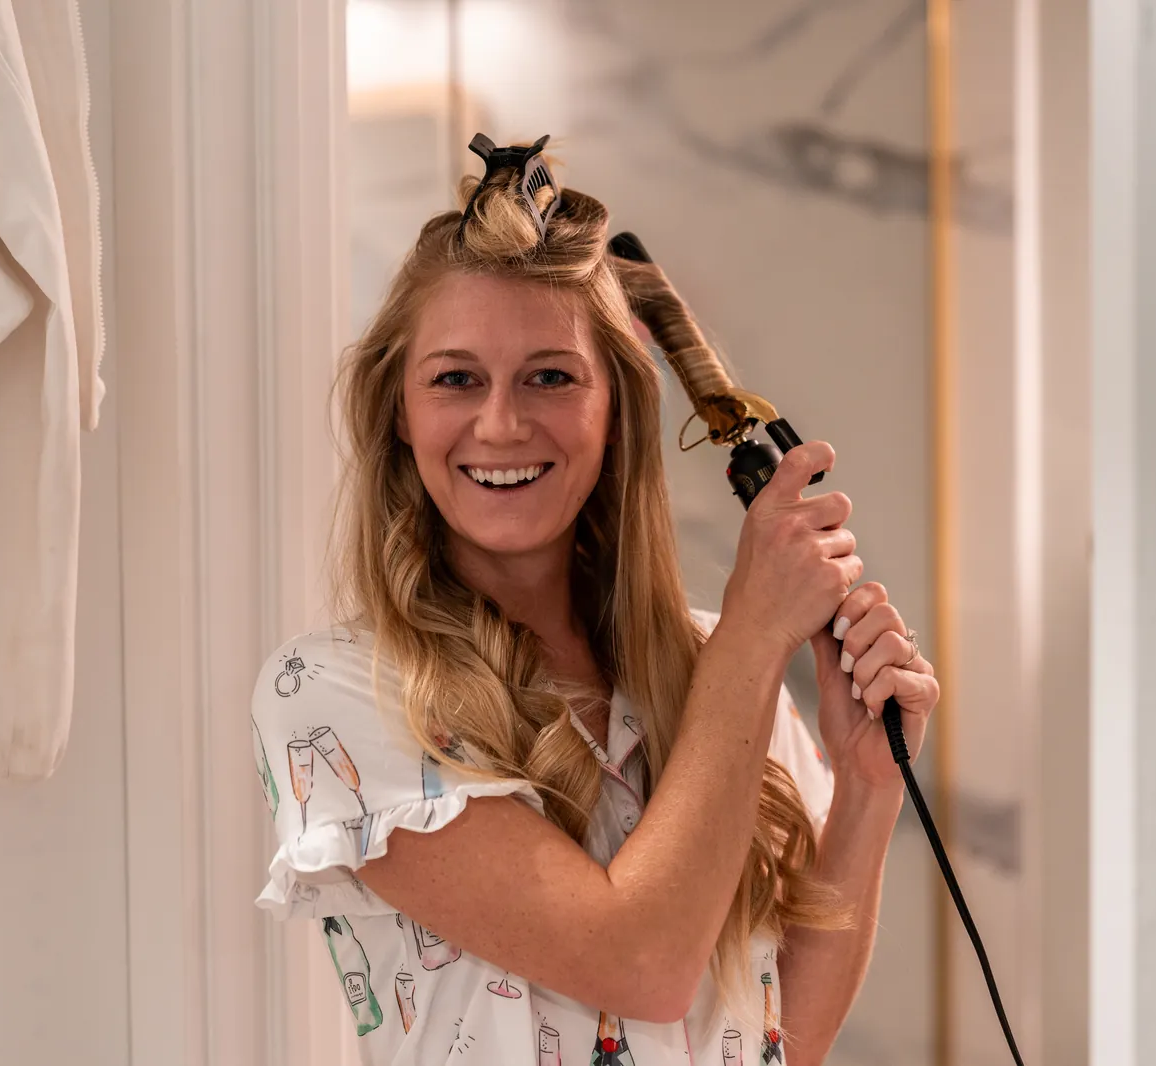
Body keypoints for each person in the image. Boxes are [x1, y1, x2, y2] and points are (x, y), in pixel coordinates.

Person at [249, 136, 938, 1066]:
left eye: (551, 376)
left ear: (615, 413)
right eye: (456, 379)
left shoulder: (719, 669)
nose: (501, 424)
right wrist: (754, 635)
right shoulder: (335, 696)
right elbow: (640, 964)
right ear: (400, 415)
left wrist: (867, 786)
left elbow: (783, 1038)